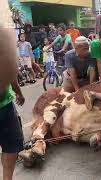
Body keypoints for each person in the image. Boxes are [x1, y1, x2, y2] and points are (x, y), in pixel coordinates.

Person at [1, 3, 26, 180]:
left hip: (4, 104)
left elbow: (10, 66)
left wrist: (18, 92)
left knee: (11, 148)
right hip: (3, 105)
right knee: (11, 147)